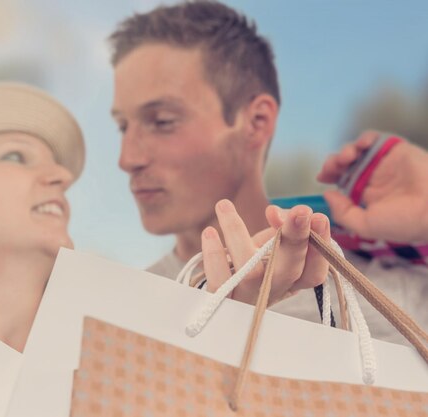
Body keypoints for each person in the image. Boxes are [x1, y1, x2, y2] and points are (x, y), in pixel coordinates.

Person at [0, 82, 328, 417]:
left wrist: (230, 328)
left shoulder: (128, 364)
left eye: (55, 164)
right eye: (15, 156)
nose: (62, 177)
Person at [108, 0, 428, 344]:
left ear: (256, 123)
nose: (127, 159)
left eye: (162, 122)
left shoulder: (391, 288)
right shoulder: (120, 313)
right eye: (123, 126)